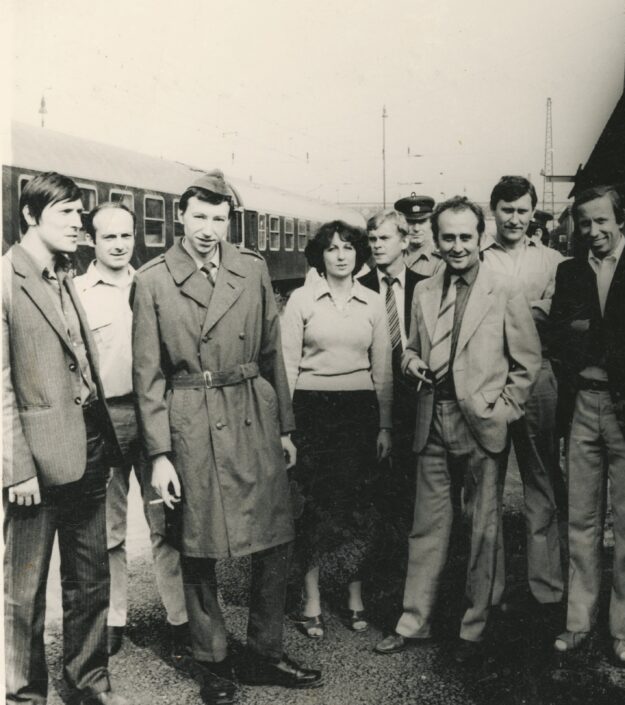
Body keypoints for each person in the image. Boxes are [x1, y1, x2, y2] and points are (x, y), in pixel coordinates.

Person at [133, 170, 321, 705]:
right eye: (199, 216)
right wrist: (160, 455)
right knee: (197, 544)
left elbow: (272, 353)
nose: (208, 229)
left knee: (276, 536)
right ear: (180, 217)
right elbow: (147, 377)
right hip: (192, 421)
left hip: (252, 412)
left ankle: (264, 652)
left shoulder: (251, 268)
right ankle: (212, 660)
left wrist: (285, 427)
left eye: (219, 219)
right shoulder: (152, 280)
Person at [374, 196, 541, 664]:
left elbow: (527, 363)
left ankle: (475, 627)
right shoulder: (425, 289)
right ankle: (414, 621)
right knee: (426, 526)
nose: (457, 246)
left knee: (482, 528)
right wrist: (409, 361)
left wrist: (502, 412)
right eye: (448, 237)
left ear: (481, 237)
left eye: (466, 237)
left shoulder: (503, 288)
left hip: (480, 423)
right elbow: (411, 347)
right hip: (432, 417)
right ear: (436, 239)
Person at [3, 172, 128, 705]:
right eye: (67, 214)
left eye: (80, 213)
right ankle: (24, 696)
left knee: (91, 582)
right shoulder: (7, 279)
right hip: (35, 465)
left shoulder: (63, 273)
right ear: (31, 216)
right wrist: (18, 469)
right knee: (24, 593)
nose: (80, 223)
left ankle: (88, 686)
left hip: (90, 450)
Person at [548, 186, 625, 666]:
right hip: (583, 401)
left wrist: (591, 332)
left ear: (620, 220)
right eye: (585, 223)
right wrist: (597, 335)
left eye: (602, 220)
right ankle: (578, 622)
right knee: (581, 519)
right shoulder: (569, 271)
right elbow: (560, 336)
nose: (593, 231)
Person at [74, 202, 190, 660]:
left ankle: (180, 619)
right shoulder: (78, 294)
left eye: (126, 235)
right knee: (109, 529)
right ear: (91, 240)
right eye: (109, 237)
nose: (120, 245)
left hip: (155, 417)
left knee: (166, 521)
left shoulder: (153, 285)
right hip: (106, 419)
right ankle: (113, 617)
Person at [281, 220, 393, 638]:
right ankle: (310, 598)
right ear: (320, 256)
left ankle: (354, 594)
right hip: (312, 413)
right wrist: (286, 430)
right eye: (332, 248)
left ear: (359, 254)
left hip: (359, 415)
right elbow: (287, 366)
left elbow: (383, 370)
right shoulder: (301, 300)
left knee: (358, 507)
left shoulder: (373, 302)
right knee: (313, 507)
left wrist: (385, 425)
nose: (341, 255)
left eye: (348, 247)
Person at [481, 175, 567, 611]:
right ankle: (487, 590)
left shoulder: (554, 261)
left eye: (522, 211)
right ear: (493, 211)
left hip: (537, 378)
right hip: (486, 378)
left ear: (533, 214)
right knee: (485, 485)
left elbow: (557, 313)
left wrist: (498, 311)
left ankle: (546, 590)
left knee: (541, 478)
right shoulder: (477, 258)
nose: (514, 219)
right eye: (507, 210)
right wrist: (524, 311)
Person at [358, 209, 428, 535]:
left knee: (415, 480)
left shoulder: (425, 287)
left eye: (384, 238)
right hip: (374, 395)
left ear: (404, 241)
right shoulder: (358, 288)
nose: (376, 245)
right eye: (372, 239)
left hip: (416, 395)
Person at [396, 193, 444, 277]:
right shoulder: (394, 254)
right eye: (410, 222)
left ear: (430, 223)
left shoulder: (440, 261)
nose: (416, 229)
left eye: (422, 222)